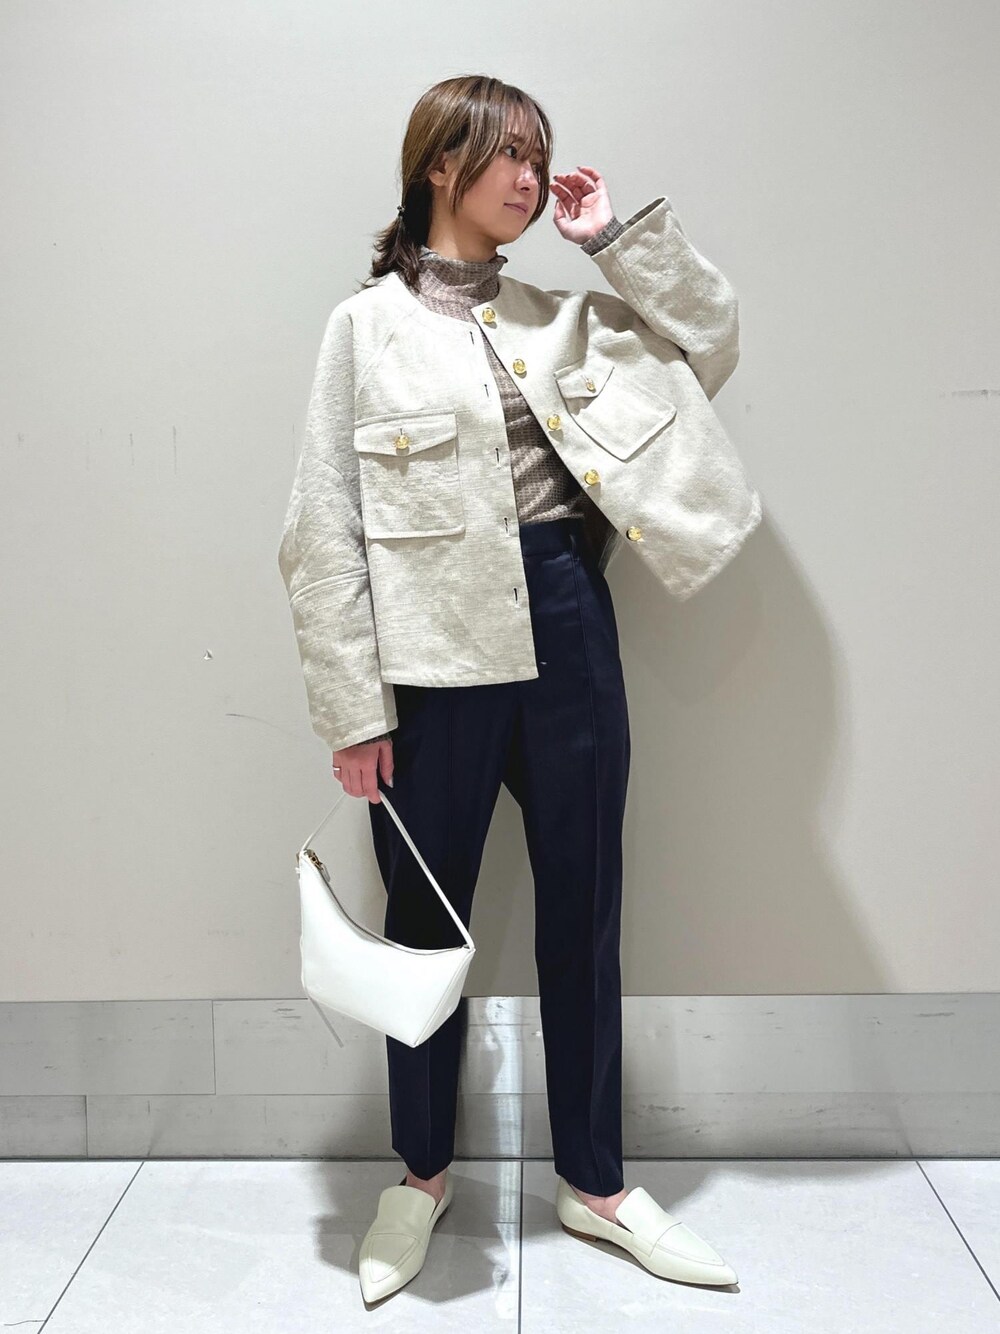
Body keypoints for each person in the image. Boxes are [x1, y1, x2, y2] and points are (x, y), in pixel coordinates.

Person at [279, 73, 746, 1303]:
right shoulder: (362, 329)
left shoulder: (564, 316)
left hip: (569, 622)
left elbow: (709, 345)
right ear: (441, 164)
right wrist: (352, 711)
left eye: (542, 159)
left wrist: (617, 244)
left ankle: (594, 1181)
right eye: (511, 156)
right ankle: (421, 1173)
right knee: (422, 924)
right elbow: (323, 528)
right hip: (430, 659)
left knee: (585, 909)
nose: (533, 181)